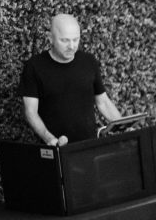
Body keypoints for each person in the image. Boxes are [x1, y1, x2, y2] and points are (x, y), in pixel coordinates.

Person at [20, 14, 122, 145]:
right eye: (65, 40)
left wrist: (123, 128)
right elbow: (30, 112)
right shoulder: (34, 66)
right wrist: (49, 139)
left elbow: (103, 102)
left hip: (90, 145)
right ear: (50, 38)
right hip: (56, 146)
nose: (72, 46)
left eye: (75, 39)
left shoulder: (88, 62)